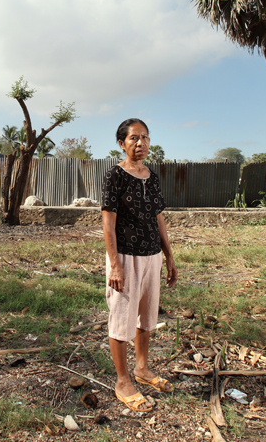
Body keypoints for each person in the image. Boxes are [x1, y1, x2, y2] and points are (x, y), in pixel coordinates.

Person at [101, 118, 178, 413]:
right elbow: (108, 224)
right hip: (126, 257)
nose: (141, 143)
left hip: (151, 257)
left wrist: (168, 256)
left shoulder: (152, 177)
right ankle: (122, 381)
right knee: (122, 317)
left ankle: (142, 369)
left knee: (146, 317)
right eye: (134, 138)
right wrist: (115, 264)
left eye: (145, 138)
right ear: (122, 143)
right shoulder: (115, 176)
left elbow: (159, 217)